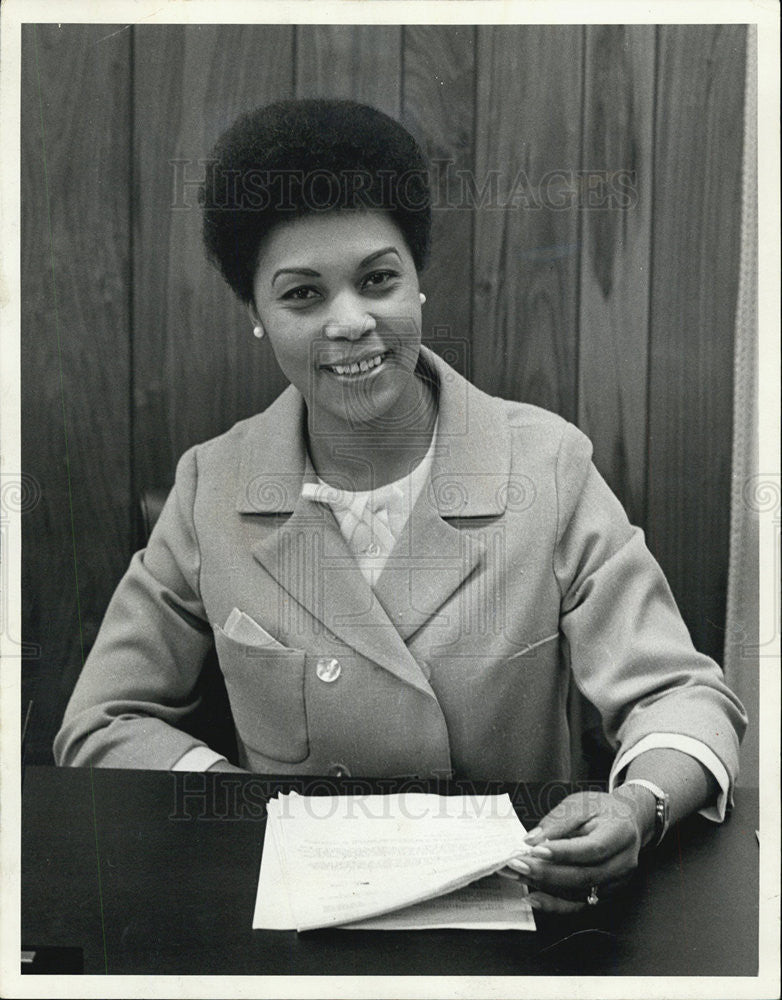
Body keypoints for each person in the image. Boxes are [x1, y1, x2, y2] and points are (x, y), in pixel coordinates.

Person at [54, 98, 747, 913]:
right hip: (298, 915)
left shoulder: (546, 465)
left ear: (418, 284)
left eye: (378, 280)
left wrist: (639, 807)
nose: (351, 322)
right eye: (303, 296)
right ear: (255, 315)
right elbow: (102, 721)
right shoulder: (215, 485)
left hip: (518, 906)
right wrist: (245, 811)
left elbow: (681, 694)